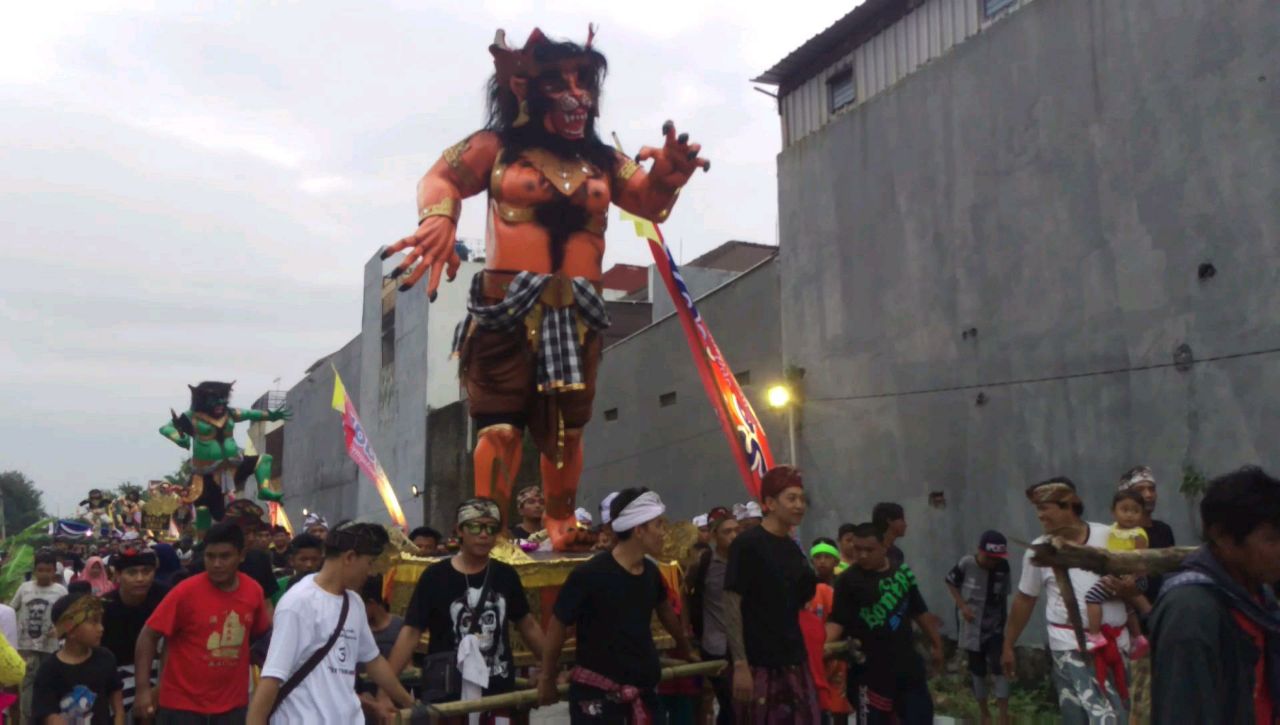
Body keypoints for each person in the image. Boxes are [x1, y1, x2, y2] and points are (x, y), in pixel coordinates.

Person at [539, 488, 693, 721]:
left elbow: (665, 611)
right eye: (658, 525)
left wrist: (686, 649)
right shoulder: (589, 574)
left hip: (643, 691)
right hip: (598, 698)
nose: (664, 533)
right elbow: (558, 625)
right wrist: (547, 677)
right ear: (639, 530)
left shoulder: (650, 572)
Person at [387, 498, 546, 721]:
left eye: (491, 528)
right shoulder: (435, 576)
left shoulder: (505, 575)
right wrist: (385, 688)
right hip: (447, 697)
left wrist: (550, 669)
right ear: (459, 530)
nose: (484, 535)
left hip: (498, 693)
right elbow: (411, 632)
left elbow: (527, 625)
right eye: (475, 527)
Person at [1150, 465, 1280, 724]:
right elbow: (1183, 712)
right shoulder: (1191, 612)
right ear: (1223, 537)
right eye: (1272, 539)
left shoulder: (1258, 598)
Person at [249, 522, 414, 725]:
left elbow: (374, 662)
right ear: (350, 557)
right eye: (369, 563)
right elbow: (272, 677)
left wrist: (411, 704)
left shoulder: (354, 603)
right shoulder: (298, 603)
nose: (371, 573)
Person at [1001, 477, 1129, 723]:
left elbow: (1136, 582)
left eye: (1044, 508)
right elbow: (1025, 599)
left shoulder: (1109, 536)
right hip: (1071, 647)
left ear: (1068, 505)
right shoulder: (1040, 550)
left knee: (1121, 714)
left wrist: (1127, 588)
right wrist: (1008, 645)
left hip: (1115, 646)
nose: (1040, 515)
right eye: (1037, 509)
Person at [135, 522, 271, 724]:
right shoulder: (185, 592)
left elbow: (261, 637)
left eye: (225, 556)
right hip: (181, 709)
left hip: (232, 709)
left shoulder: (253, 592)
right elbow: (148, 635)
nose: (216, 564)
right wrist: (143, 690)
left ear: (241, 555)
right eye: (210, 556)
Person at [725, 466, 821, 723]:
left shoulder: (793, 549)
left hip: (794, 659)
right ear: (770, 502)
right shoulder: (747, 544)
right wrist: (740, 664)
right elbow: (731, 605)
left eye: (802, 499)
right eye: (791, 498)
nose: (799, 505)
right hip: (758, 664)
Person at [828, 522, 942, 724]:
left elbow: (919, 611)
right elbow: (837, 622)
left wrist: (937, 644)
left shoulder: (902, 573)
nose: (862, 555)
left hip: (907, 667)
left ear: (884, 547)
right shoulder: (846, 581)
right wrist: (819, 648)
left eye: (869, 550)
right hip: (868, 672)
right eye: (857, 549)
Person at [1117, 465, 1174, 724]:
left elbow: (1170, 574)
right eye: (1142, 489)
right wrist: (1145, 610)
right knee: (1138, 696)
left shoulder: (1163, 531)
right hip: (1135, 627)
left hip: (1165, 620)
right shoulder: (1119, 535)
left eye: (1152, 488)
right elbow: (1123, 583)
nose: (1149, 494)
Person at [945, 530, 1012, 725]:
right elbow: (950, 582)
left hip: (995, 627)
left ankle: (1003, 716)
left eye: (996, 559)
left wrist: (1005, 626)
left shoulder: (1003, 567)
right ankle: (984, 713)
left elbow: (1004, 597)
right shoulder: (966, 564)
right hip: (972, 626)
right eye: (989, 558)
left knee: (1000, 667)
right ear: (979, 551)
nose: (992, 562)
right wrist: (962, 606)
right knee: (977, 670)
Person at [32, 591, 123, 725]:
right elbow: (47, 714)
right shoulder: (49, 669)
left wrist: (119, 719)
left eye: (100, 621)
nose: (101, 628)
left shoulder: (105, 658)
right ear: (70, 629)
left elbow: (117, 701)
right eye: (94, 622)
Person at [684, 506, 738, 725]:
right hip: (715, 644)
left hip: (743, 644)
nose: (734, 536)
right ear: (715, 536)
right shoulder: (704, 563)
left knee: (738, 705)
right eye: (727, 531)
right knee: (728, 701)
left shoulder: (746, 562)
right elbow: (685, 592)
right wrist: (686, 631)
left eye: (736, 530)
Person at [101, 545, 167, 715]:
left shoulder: (166, 598)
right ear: (117, 575)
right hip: (117, 677)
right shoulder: (103, 608)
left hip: (163, 673)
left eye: (146, 571)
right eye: (132, 573)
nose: (140, 578)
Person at [1082, 491, 1150, 655]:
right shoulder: (1111, 530)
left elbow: (1142, 560)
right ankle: (1138, 637)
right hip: (1118, 574)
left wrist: (1132, 577)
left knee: (1092, 597)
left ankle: (1095, 635)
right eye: (1124, 509)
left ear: (1142, 514)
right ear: (1113, 511)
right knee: (1126, 605)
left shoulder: (1138, 535)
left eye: (1135, 511)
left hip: (1132, 577)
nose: (1129, 515)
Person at [12, 548, 68, 723]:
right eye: (40, 570)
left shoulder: (60, 591)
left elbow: (68, 616)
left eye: (48, 570)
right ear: (35, 570)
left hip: (50, 647)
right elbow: (11, 609)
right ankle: (28, 719)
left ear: (54, 570)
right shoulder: (24, 588)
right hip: (26, 647)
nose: (44, 574)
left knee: (48, 684)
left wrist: (60, 630)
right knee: (27, 685)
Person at [806, 539, 852, 724]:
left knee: (839, 703)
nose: (822, 561)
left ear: (836, 561)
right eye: (818, 557)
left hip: (839, 651)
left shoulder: (845, 585)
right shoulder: (807, 586)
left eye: (827, 557)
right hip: (815, 651)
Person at [361, 575, 404, 659]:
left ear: (371, 603)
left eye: (361, 606)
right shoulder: (360, 628)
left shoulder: (399, 627)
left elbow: (407, 662)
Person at [871, 503, 906, 567]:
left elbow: (902, 572)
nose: (905, 525)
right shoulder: (870, 549)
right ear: (889, 520)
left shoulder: (897, 553)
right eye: (902, 520)